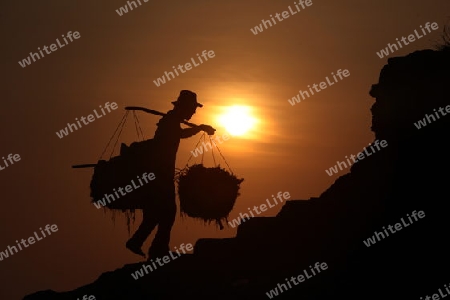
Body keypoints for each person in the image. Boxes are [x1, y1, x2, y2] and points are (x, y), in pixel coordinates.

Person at [126, 90, 215, 259]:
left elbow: (179, 134)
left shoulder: (171, 121)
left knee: (157, 213)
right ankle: (157, 249)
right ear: (184, 107)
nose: (193, 112)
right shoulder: (169, 122)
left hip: (160, 175)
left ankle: (141, 242)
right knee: (168, 212)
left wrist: (200, 128)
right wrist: (200, 128)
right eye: (192, 108)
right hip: (159, 176)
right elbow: (179, 135)